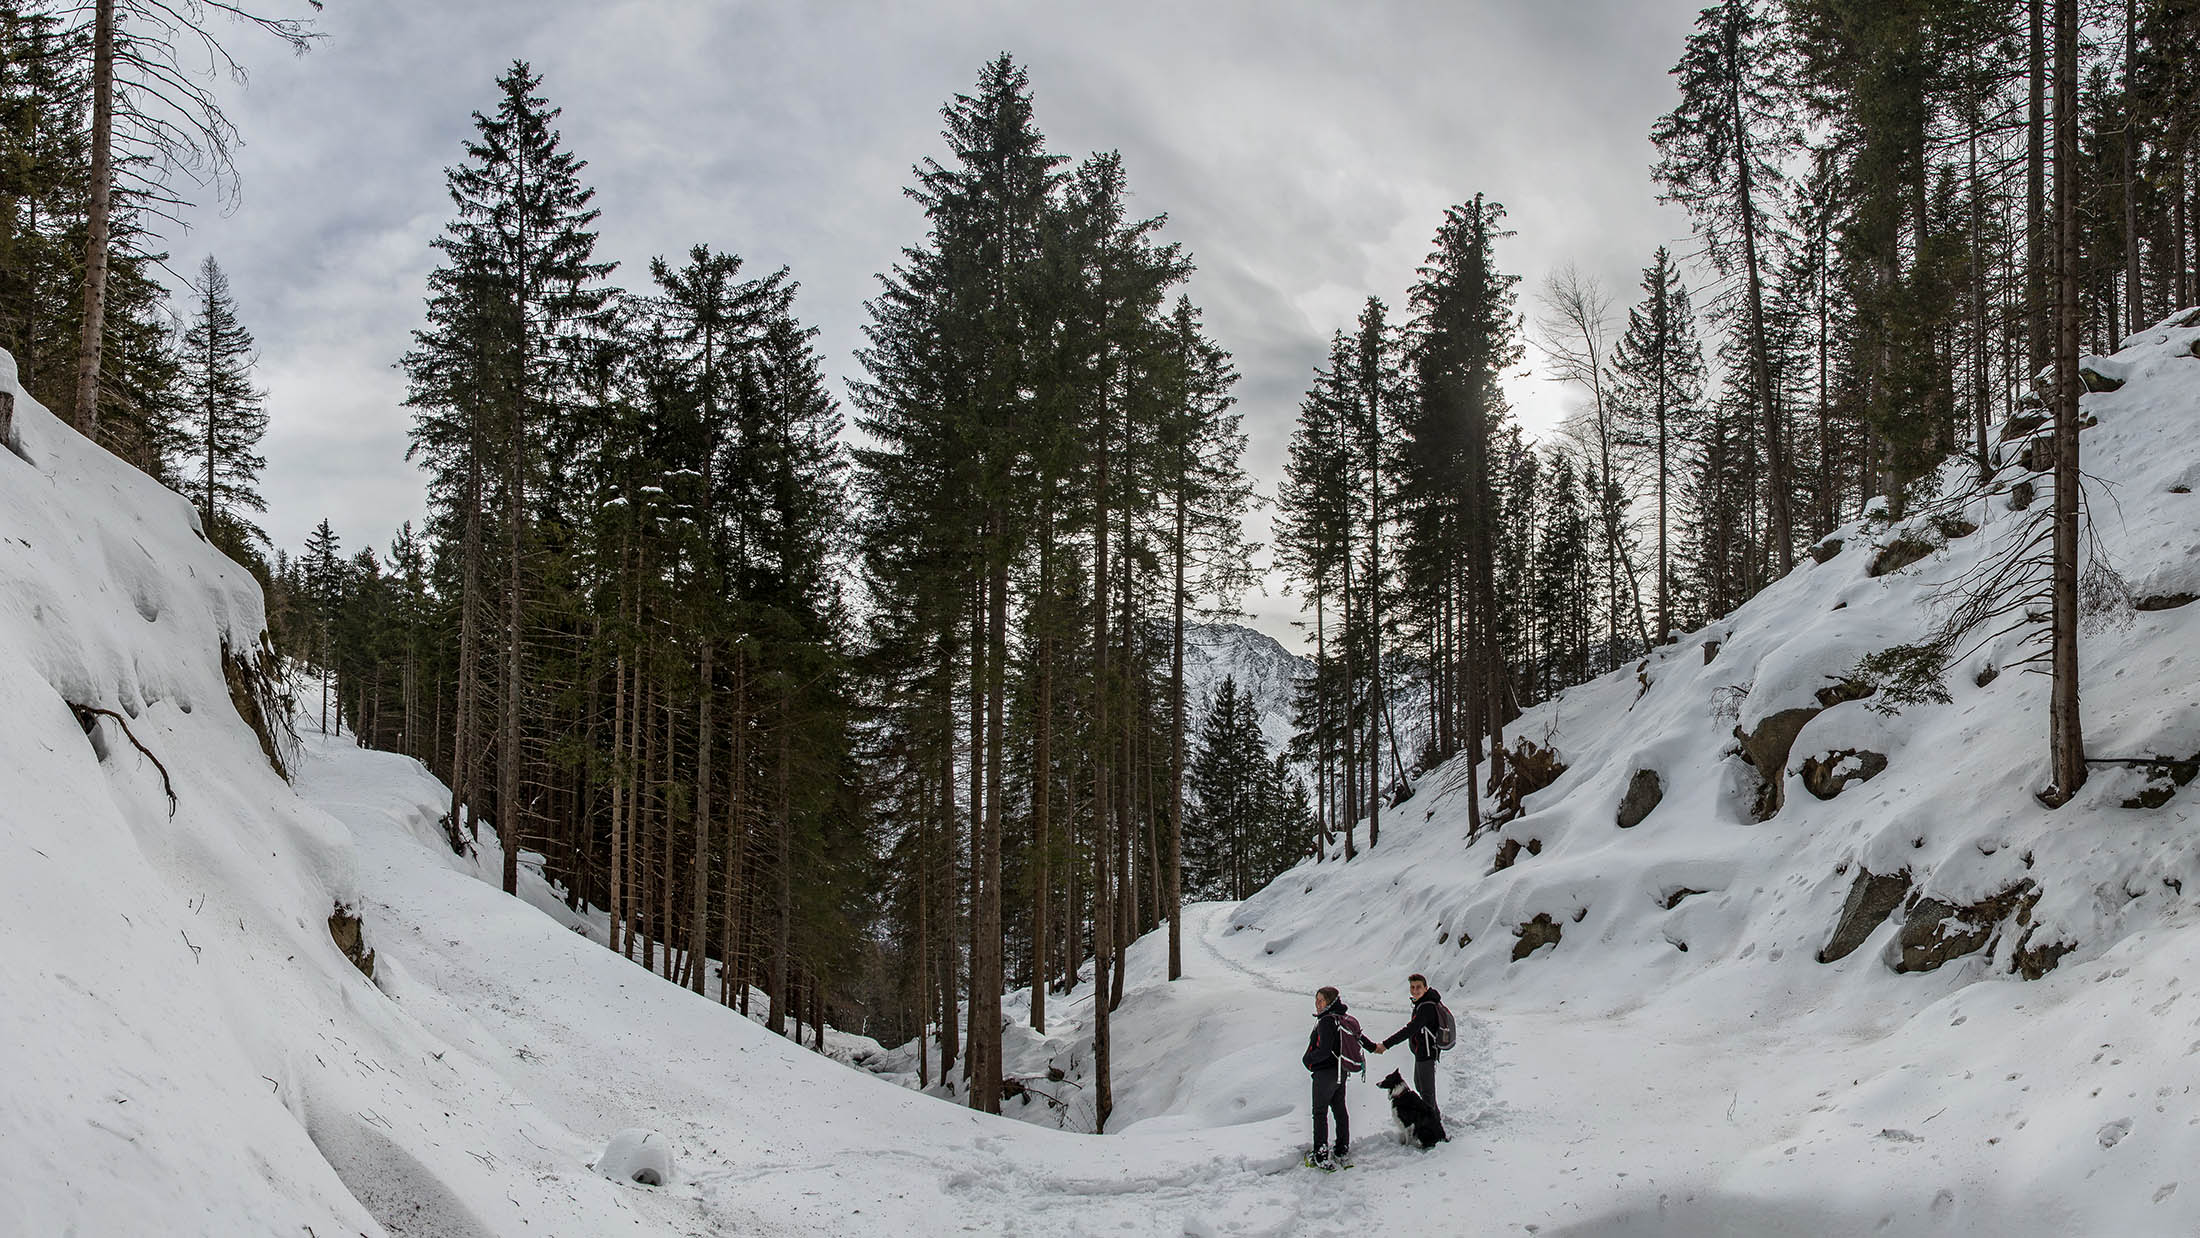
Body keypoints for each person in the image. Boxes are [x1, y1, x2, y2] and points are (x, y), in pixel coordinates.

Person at [1302, 985, 1378, 1167]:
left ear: (1331, 1001)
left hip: (1324, 1074)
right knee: (1340, 1111)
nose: (1318, 1004)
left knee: (1320, 1113)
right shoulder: (1342, 1018)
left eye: (1322, 1000)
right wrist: (1374, 1047)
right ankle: (1342, 1150)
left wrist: (1308, 1060)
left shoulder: (1327, 1021)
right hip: (1340, 1072)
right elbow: (1359, 1038)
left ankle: (1320, 1156)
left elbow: (1324, 1050)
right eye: (1316, 1000)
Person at [1374, 973, 1446, 1125]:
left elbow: (1409, 1030)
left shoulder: (1426, 1007)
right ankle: (1435, 1118)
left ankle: (1434, 1128)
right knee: (1420, 1086)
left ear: (1425, 988)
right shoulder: (1421, 1003)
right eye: (1412, 987)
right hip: (1421, 1053)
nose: (1415, 990)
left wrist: (1386, 1045)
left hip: (1426, 1054)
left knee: (1426, 1093)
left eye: (1418, 987)